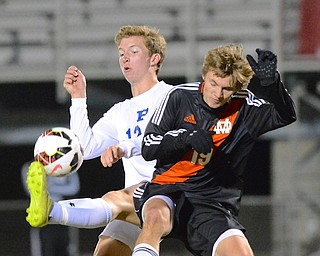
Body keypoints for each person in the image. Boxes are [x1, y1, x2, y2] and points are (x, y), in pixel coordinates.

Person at [132, 44, 297, 256]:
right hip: (169, 190)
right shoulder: (179, 96)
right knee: (153, 217)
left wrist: (272, 84)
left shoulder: (245, 107)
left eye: (226, 88)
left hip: (211, 204)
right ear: (204, 75)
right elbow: (148, 146)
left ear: (237, 87)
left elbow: (286, 115)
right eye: (213, 83)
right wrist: (186, 137)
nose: (218, 93)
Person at [26, 25, 172, 256]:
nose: (125, 58)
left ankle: (52, 211)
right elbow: (84, 148)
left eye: (133, 52)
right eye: (121, 54)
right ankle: (49, 210)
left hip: (173, 192)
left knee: (116, 200)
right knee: (106, 251)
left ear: (154, 59)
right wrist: (78, 98)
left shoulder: (175, 96)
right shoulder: (120, 111)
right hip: (135, 201)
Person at [22, 161, 80, 256]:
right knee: (45, 250)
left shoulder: (65, 163)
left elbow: (74, 188)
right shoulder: (30, 166)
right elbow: (31, 190)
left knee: (65, 250)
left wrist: (46, 187)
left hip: (62, 218)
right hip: (43, 219)